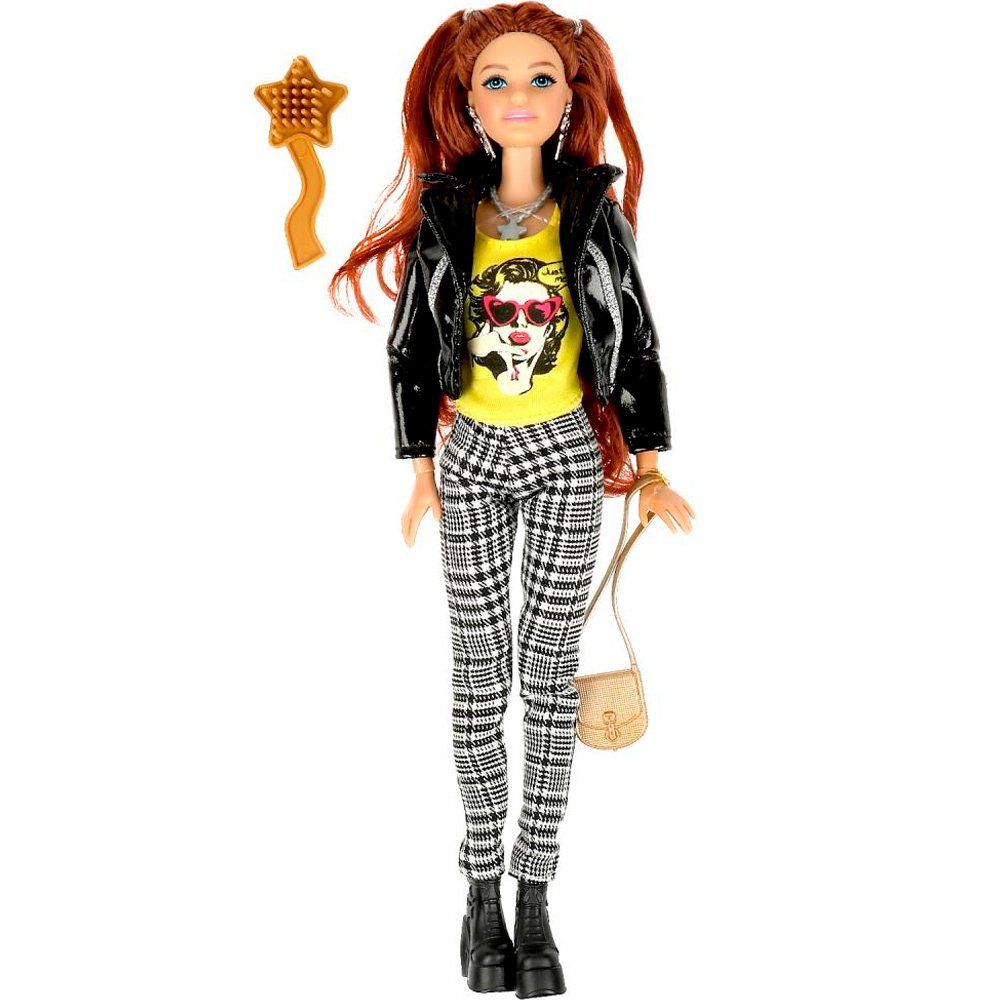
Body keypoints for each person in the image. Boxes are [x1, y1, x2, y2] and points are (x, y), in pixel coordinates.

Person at [329, 5, 695, 995]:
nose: (520, 96)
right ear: (468, 101)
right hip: (474, 457)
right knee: (477, 676)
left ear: (571, 97)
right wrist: (419, 467)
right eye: (497, 79)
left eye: (541, 78)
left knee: (547, 676)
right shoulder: (451, 213)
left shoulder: (593, 212)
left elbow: (634, 338)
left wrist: (650, 467)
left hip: (566, 454)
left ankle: (536, 895)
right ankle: (479, 889)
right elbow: (411, 345)